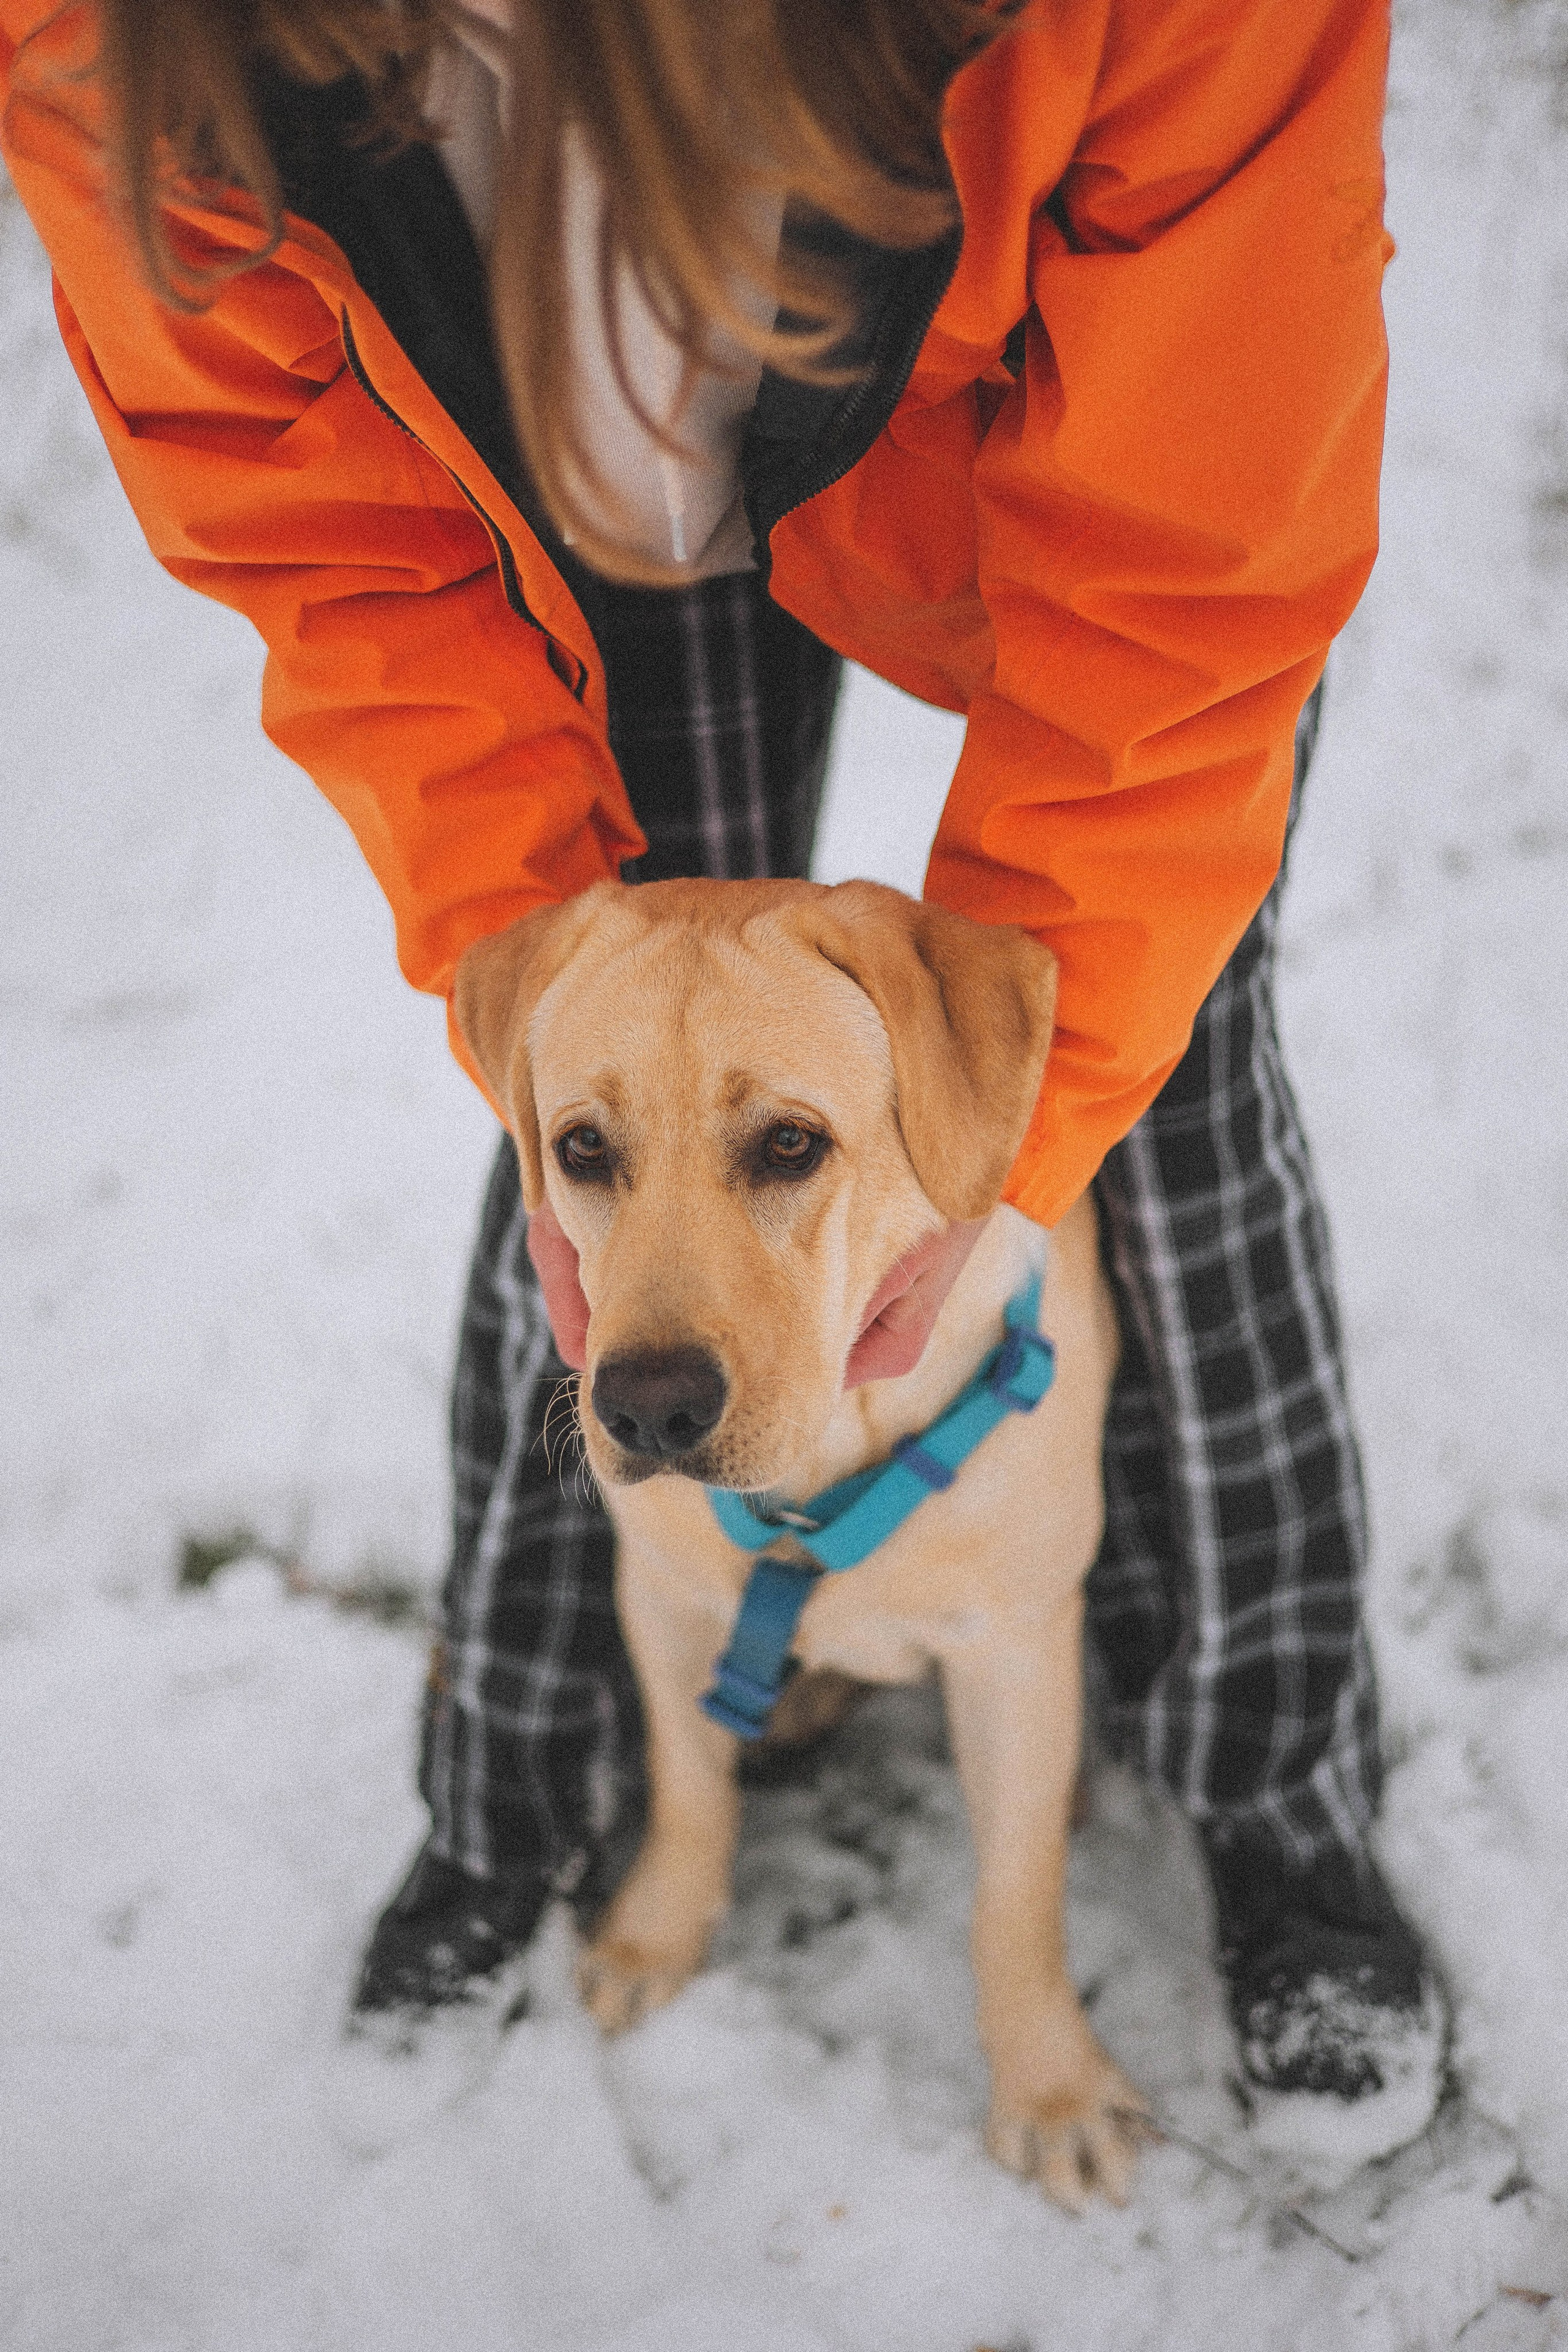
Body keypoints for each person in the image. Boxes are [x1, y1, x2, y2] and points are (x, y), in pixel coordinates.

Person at [1, 0, 1443, 2155]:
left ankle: (1274, 1781)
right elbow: (330, 541)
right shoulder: (115, 35)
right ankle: (520, 1775)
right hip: (540, 430)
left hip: (1063, 385)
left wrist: (993, 1153)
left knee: (1175, 1065)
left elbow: (1188, 592)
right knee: (631, 1082)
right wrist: (546, 990)